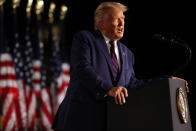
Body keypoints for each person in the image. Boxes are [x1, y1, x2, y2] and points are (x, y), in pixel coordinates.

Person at [52, 2, 189, 131]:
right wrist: (108, 89)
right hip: (80, 120)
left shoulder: (127, 54)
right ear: (101, 23)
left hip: (111, 122)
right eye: (116, 19)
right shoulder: (85, 39)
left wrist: (167, 81)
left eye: (123, 19)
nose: (122, 23)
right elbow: (82, 69)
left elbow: (133, 84)